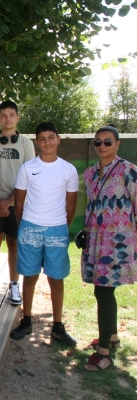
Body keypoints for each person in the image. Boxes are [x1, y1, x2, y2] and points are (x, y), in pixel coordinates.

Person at [10, 122, 78, 347]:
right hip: (30, 227)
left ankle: (58, 326)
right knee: (29, 276)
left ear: (58, 139)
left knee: (56, 278)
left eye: (51, 137)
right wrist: (25, 226)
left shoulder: (68, 169)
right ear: (37, 142)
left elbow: (71, 206)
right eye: (42, 138)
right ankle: (26, 320)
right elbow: (19, 203)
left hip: (57, 229)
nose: (47, 142)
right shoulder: (28, 168)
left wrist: (60, 226)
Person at [82, 126, 136, 371]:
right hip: (95, 239)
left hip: (117, 242)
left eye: (107, 141)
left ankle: (103, 354)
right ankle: (112, 337)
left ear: (117, 143)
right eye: (98, 142)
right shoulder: (90, 173)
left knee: (104, 292)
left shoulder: (129, 171)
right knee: (101, 290)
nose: (102, 146)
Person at [0, 101, 35, 306]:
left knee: (14, 244)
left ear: (17, 118)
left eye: (11, 115)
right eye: (3, 115)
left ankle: (14, 285)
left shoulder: (26, 144)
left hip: (18, 204)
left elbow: (29, 175)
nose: (7, 119)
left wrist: (9, 202)